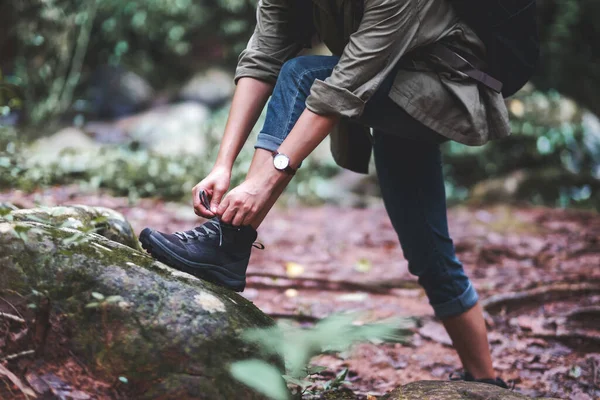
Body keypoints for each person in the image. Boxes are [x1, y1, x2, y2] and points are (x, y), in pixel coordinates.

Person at [140, 0, 512, 388]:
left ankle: (228, 241)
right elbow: (262, 58)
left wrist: (263, 181)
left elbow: (341, 88)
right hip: (389, 85)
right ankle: (485, 381)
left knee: (301, 74)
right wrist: (223, 164)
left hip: (447, 84)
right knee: (427, 248)